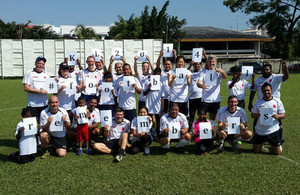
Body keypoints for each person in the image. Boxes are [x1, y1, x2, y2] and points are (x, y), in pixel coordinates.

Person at [248, 61, 289, 140]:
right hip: (261, 104)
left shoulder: (276, 77)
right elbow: (253, 91)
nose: (265, 71)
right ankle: (256, 137)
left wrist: (285, 68)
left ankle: (278, 137)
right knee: (257, 120)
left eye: (267, 69)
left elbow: (286, 77)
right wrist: (250, 103)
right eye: (264, 70)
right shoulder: (258, 80)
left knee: (277, 120)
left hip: (274, 104)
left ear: (271, 70)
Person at [251, 83, 285, 155]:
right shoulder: (258, 102)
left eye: (268, 90)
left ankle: (278, 144)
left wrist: (278, 116)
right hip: (260, 131)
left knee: (277, 153)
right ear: (262, 91)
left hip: (273, 130)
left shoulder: (277, 101)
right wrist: (256, 115)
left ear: (271, 90)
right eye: (264, 90)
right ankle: (262, 143)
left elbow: (283, 115)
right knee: (256, 151)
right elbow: (252, 115)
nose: (266, 92)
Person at [197, 55, 227, 129]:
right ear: (207, 62)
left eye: (213, 61)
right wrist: (201, 85)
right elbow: (198, 82)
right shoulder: (203, 72)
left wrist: (222, 71)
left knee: (213, 117)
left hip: (215, 99)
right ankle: (203, 133)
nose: (211, 63)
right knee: (203, 116)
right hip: (205, 99)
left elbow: (225, 77)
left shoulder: (218, 72)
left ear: (216, 62)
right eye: (210, 61)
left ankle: (211, 132)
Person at [143, 68, 164, 136]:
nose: (156, 75)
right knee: (149, 119)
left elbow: (162, 97)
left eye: (158, 74)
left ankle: (158, 132)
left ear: (160, 75)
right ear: (152, 74)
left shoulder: (161, 84)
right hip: (149, 104)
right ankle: (148, 132)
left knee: (158, 120)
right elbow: (144, 93)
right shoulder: (147, 82)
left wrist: (163, 108)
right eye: (155, 73)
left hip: (157, 105)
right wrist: (149, 89)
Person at [156, 49, 177, 114]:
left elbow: (177, 63)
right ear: (163, 65)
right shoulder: (161, 72)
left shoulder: (173, 71)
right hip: (163, 96)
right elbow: (157, 65)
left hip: (171, 96)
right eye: (166, 64)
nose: (167, 65)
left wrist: (175, 55)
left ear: (171, 65)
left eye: (169, 64)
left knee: (170, 112)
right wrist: (160, 55)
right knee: (163, 112)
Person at [188, 60, 203, 132]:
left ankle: (201, 129)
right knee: (191, 114)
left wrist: (204, 54)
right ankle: (190, 130)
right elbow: (183, 73)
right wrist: (190, 65)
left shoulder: (202, 72)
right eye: (195, 64)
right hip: (192, 97)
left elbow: (208, 65)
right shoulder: (190, 72)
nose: (197, 66)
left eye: (198, 64)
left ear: (200, 65)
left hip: (200, 97)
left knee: (201, 114)